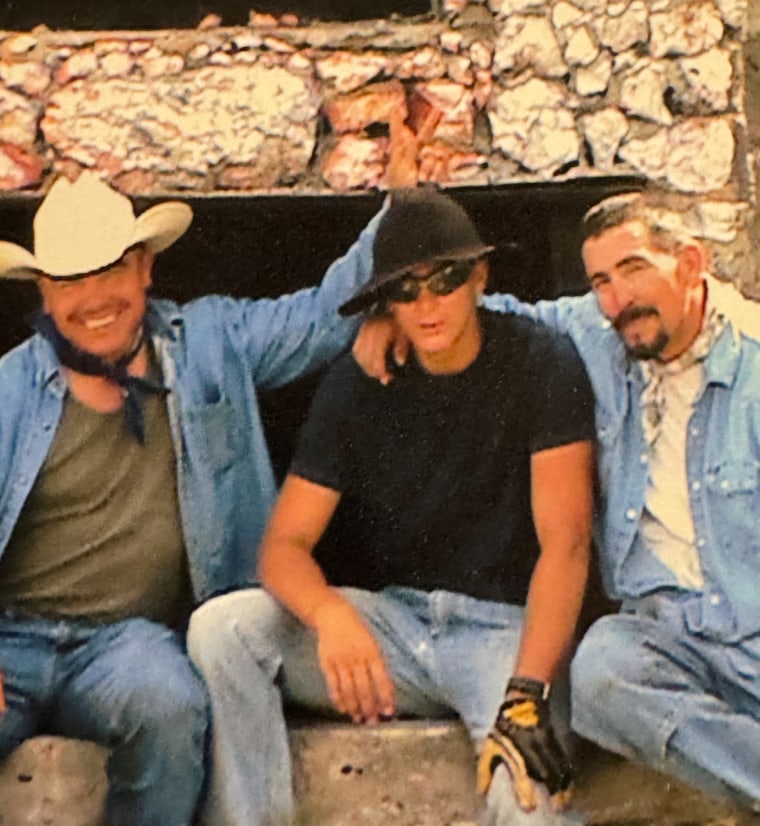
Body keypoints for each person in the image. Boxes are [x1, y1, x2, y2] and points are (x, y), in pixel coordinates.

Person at [187, 188, 596, 826]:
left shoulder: (541, 362)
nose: (427, 304)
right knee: (223, 630)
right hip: (396, 626)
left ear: (480, 276)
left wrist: (528, 692)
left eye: (445, 280)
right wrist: (331, 616)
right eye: (405, 289)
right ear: (385, 302)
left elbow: (566, 545)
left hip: (505, 633)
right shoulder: (359, 382)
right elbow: (284, 545)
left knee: (526, 791)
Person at [359, 187, 760, 812]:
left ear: (690, 264)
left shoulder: (753, 368)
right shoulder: (599, 335)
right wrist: (398, 314)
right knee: (599, 669)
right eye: (600, 281)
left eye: (633, 270)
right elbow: (488, 316)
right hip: (666, 645)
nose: (617, 300)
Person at [0, 170, 380, 826]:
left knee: (173, 707)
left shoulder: (208, 340)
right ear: (44, 292)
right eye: (69, 281)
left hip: (123, 644)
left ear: (145, 267)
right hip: (12, 637)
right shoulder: (9, 386)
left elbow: (323, 317)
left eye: (109, 271)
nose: (94, 298)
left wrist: (401, 204)